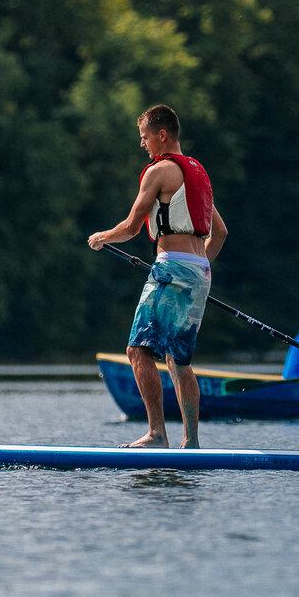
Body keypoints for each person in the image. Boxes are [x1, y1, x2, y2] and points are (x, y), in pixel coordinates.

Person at [86, 104, 227, 448]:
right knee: (178, 359)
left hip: (172, 267)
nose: (143, 144)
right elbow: (220, 233)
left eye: (145, 137)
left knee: (137, 350)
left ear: (162, 135)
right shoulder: (198, 173)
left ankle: (156, 434)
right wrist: (196, 269)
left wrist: (102, 236)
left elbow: (133, 227)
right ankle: (191, 442)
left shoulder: (160, 171)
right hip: (199, 271)